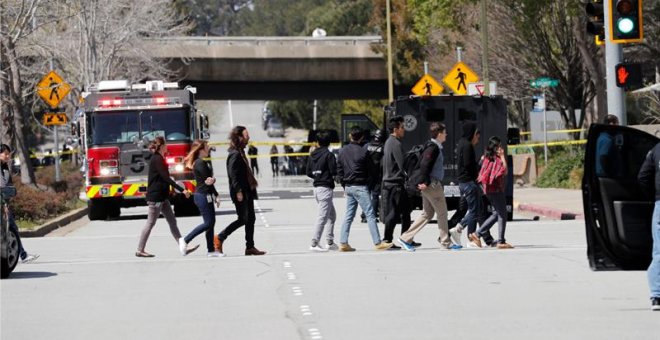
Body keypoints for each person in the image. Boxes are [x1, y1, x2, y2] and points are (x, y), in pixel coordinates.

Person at [397, 123, 461, 251]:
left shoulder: (431, 146)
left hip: (428, 184)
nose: (446, 134)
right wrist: (426, 182)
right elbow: (425, 165)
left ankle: (405, 238)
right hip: (432, 185)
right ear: (439, 134)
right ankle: (445, 243)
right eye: (444, 132)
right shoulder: (433, 148)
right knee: (442, 213)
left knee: (427, 214)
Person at [136, 136, 197, 258]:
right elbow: (166, 178)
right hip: (156, 197)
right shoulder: (157, 159)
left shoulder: (160, 158)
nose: (167, 147)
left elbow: (163, 179)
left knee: (172, 222)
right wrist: (182, 190)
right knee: (150, 222)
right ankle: (140, 249)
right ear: (162, 147)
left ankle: (183, 247)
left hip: (163, 197)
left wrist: (171, 192)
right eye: (166, 145)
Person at [337, 126, 393, 251]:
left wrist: (344, 184)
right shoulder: (363, 151)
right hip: (360, 186)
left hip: (349, 186)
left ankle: (343, 242)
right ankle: (377, 242)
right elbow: (371, 170)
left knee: (349, 215)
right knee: (370, 214)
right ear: (361, 137)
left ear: (350, 136)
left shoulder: (342, 151)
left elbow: (339, 170)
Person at [215, 126, 266, 256]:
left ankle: (250, 247)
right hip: (240, 192)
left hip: (247, 190)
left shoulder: (240, 152)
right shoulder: (235, 154)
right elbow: (233, 174)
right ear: (239, 137)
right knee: (243, 219)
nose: (248, 138)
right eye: (246, 135)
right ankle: (220, 237)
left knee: (251, 219)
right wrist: (238, 191)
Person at [180, 140, 223, 257]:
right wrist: (213, 182)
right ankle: (185, 240)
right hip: (202, 196)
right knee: (208, 223)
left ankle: (211, 250)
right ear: (201, 149)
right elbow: (208, 180)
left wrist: (216, 195)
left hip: (206, 195)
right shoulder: (200, 163)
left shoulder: (201, 162)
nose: (208, 149)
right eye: (206, 147)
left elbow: (209, 181)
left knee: (211, 223)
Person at [0, 144, 39, 263]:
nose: (8, 156)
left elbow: (7, 187)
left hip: (4, 204)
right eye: (5, 154)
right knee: (11, 229)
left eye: (9, 154)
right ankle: (22, 255)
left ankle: (22, 255)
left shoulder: (5, 168)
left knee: (12, 228)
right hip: (2, 204)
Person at [473, 136, 513, 249]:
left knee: (497, 214)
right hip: (496, 189)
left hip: (488, 189)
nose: (500, 148)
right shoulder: (497, 159)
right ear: (495, 147)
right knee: (502, 214)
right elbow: (504, 171)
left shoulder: (485, 157)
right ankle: (501, 240)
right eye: (499, 145)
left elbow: (481, 169)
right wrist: (503, 156)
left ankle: (477, 234)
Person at [449, 121, 482, 248]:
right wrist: (477, 171)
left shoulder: (462, 143)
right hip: (468, 182)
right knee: (474, 210)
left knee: (474, 209)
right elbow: (469, 165)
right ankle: (459, 229)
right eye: (476, 132)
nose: (477, 135)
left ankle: (471, 237)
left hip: (464, 182)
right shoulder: (467, 145)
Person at [381, 116, 412, 249]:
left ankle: (406, 238)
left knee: (405, 212)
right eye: (402, 127)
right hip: (395, 184)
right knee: (394, 213)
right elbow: (402, 165)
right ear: (395, 129)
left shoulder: (388, 142)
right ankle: (388, 239)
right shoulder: (396, 143)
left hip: (391, 183)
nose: (404, 130)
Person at [306, 130, 338, 252]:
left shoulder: (312, 155)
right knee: (322, 217)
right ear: (329, 142)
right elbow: (333, 171)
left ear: (317, 142)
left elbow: (308, 172)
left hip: (317, 188)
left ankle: (329, 241)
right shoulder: (329, 155)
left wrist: (317, 176)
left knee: (331, 215)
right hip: (325, 188)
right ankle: (314, 243)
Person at [637, 142, 660, 311]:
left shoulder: (655, 150)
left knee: (659, 252)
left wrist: (652, 197)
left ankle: (656, 296)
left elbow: (643, 177)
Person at [360, 129, 385, 223]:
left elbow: (361, 159)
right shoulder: (383, 147)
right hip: (377, 175)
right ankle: (372, 215)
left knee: (366, 194)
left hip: (366, 174)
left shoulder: (367, 145)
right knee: (375, 195)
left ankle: (364, 215)